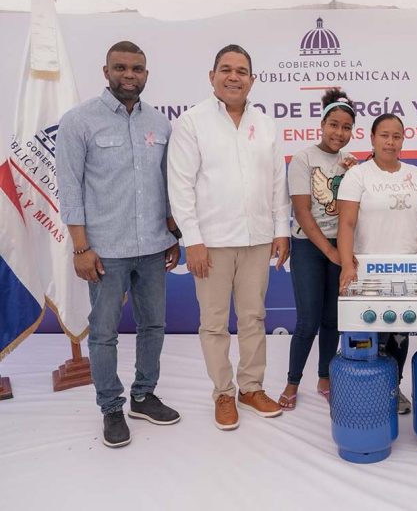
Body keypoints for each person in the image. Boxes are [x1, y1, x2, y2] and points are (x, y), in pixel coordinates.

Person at [58, 41, 181, 448]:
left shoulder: (161, 125)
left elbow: (167, 187)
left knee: (153, 326)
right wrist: (80, 248)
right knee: (104, 333)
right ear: (106, 71)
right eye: (121, 68)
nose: (130, 75)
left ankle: (143, 395)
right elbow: (70, 191)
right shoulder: (78, 122)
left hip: (152, 247)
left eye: (138, 69)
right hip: (104, 251)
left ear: (147, 74)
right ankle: (111, 407)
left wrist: (171, 235)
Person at [168, 44, 290, 430]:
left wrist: (281, 230)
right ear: (212, 76)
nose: (234, 76)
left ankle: (250, 388)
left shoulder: (266, 124)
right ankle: (223, 393)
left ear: (252, 80)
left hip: (257, 240)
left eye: (241, 71)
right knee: (215, 323)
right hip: (212, 243)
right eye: (226, 69)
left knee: (254, 317)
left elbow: (276, 183)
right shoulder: (192, 122)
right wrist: (194, 241)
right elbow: (181, 186)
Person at [337, 113, 417, 414]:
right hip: (369, 268)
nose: (390, 142)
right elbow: (346, 224)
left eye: (396, 136)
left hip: (410, 267)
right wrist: (347, 264)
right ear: (372, 138)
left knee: (400, 330)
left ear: (403, 139)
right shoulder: (358, 176)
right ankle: (370, 390)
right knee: (373, 330)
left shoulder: (416, 175)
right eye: (384, 135)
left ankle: (394, 387)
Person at [279, 89, 358, 411]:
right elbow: (302, 213)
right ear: (322, 125)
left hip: (341, 247)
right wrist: (330, 252)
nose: (339, 133)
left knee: (333, 318)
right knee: (308, 320)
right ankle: (292, 381)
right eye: (334, 125)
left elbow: (351, 213)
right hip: (309, 247)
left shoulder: (352, 164)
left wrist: (355, 175)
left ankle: (324, 377)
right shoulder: (303, 158)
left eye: (346, 127)